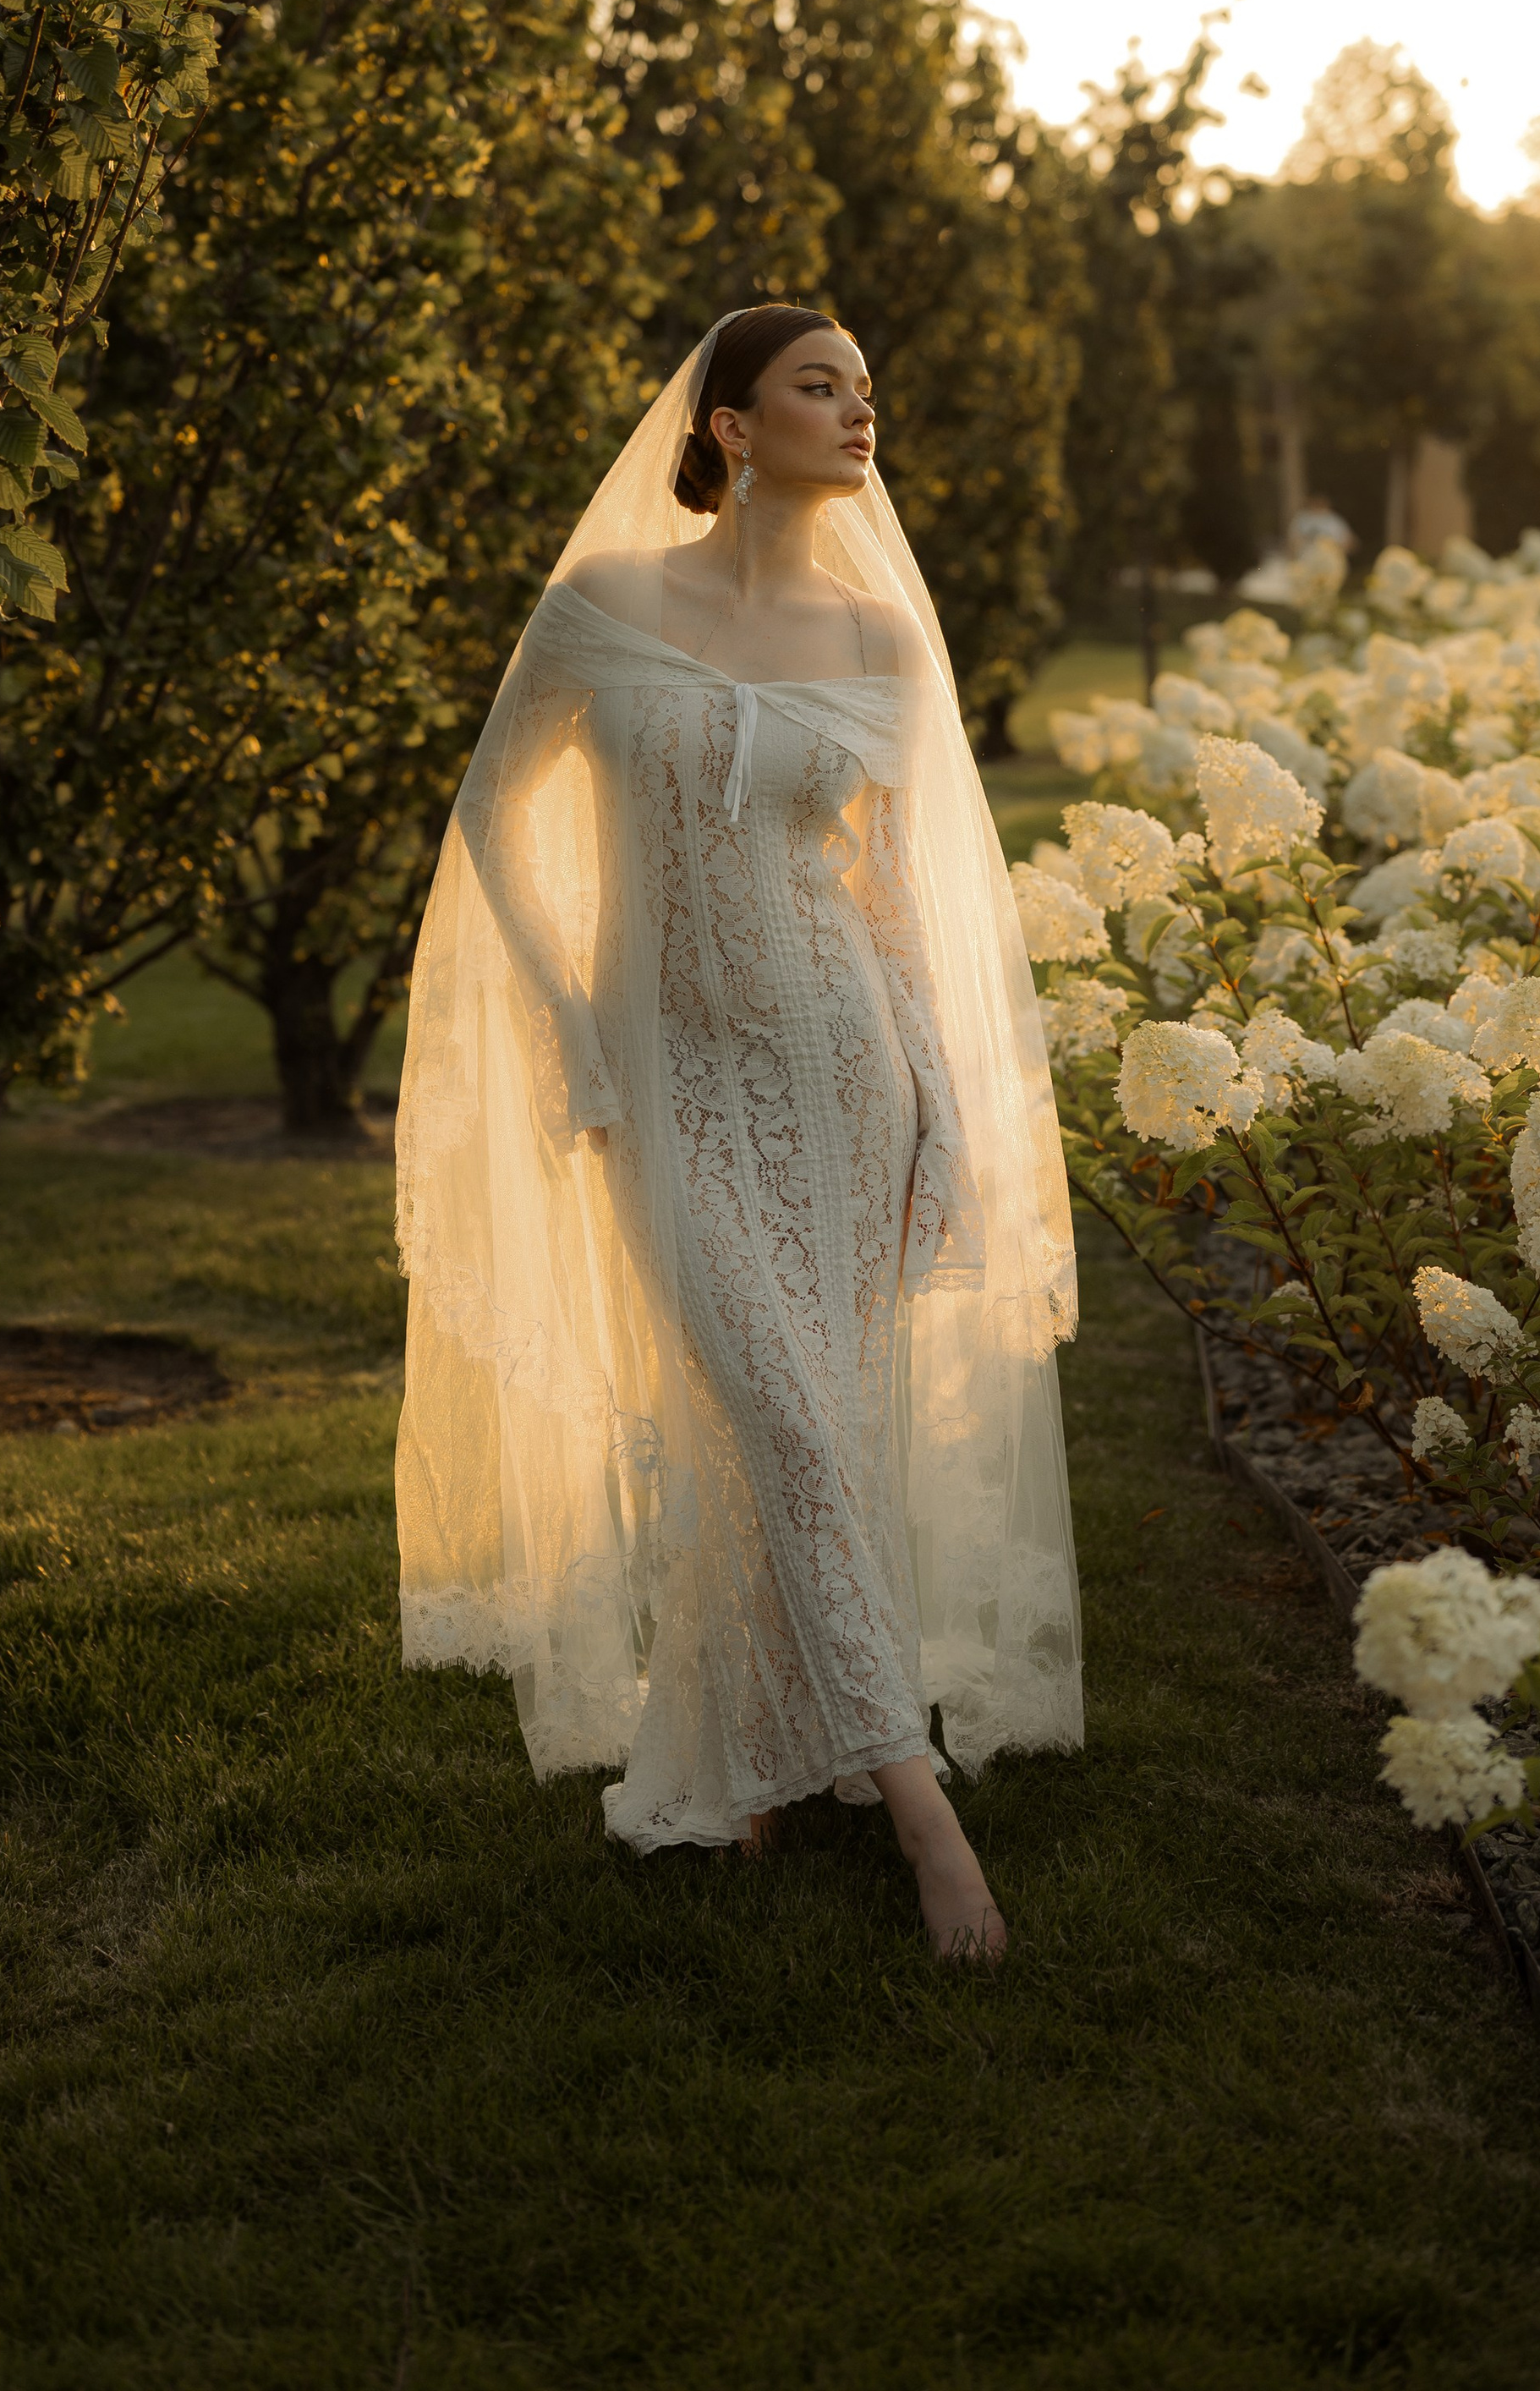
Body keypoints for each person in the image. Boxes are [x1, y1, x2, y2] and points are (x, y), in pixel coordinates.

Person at [393, 305, 1082, 1959]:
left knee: (803, 1438)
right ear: (724, 425)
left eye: (865, 386)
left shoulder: (877, 642)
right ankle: (919, 1813)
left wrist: (939, 1105)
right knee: (775, 1420)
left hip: (848, 1075)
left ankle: (754, 1759)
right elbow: (491, 810)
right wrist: (569, 1027)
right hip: (672, 1083)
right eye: (819, 384)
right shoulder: (604, 609)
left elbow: (893, 898)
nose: (858, 413)